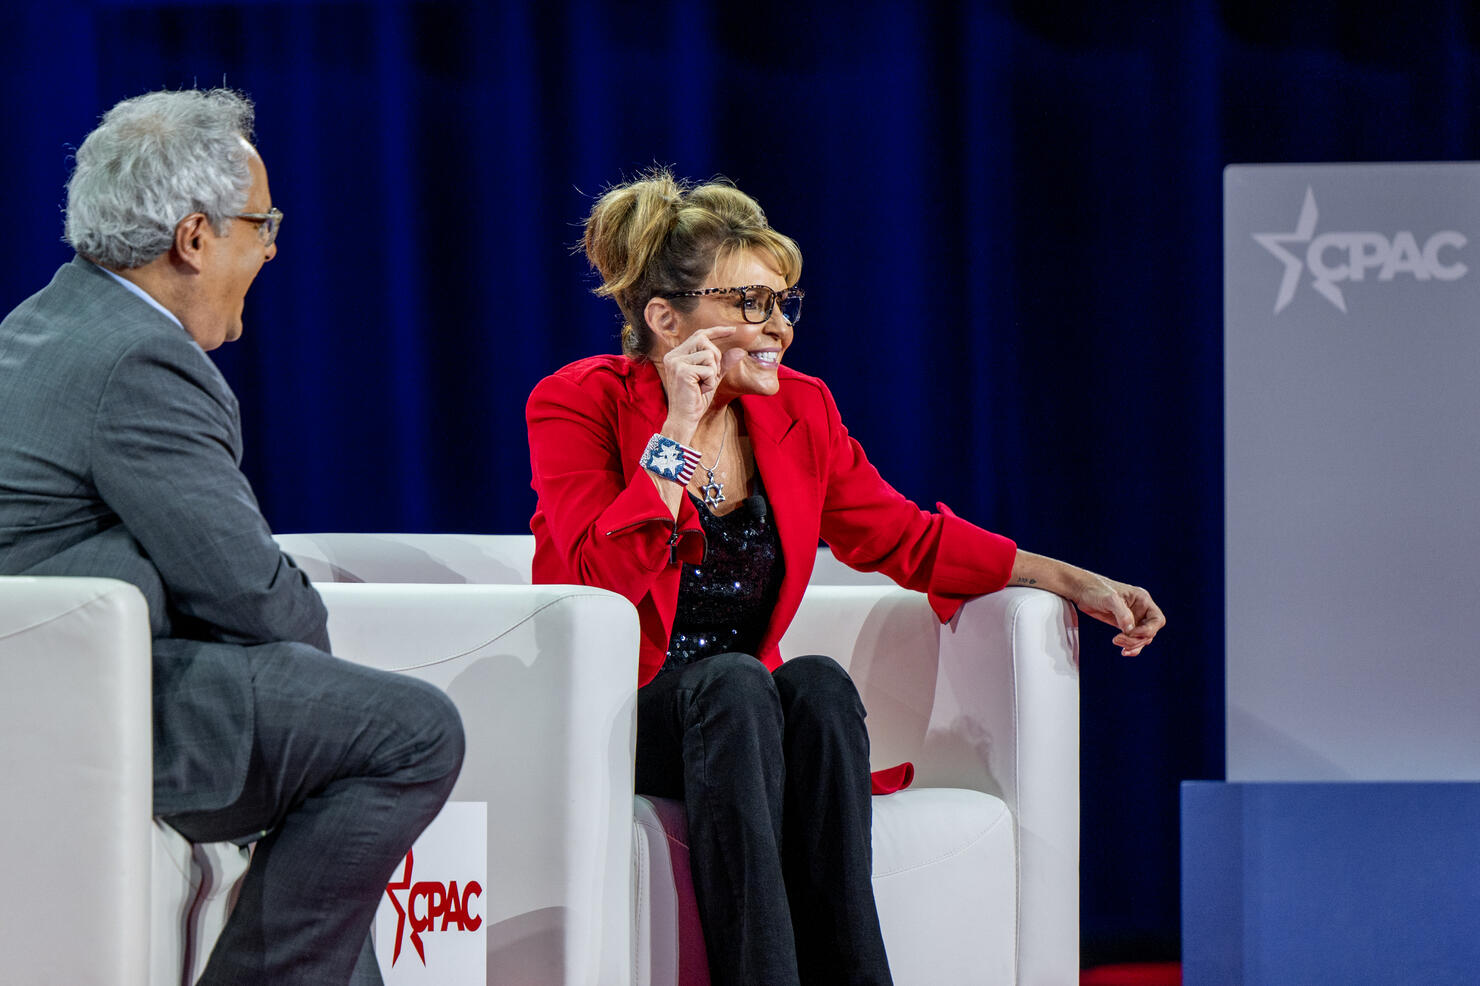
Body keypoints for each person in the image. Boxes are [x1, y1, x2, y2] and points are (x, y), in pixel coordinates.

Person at [526, 168, 1165, 986]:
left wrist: (1068, 578)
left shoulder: (801, 410)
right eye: (750, 304)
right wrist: (679, 430)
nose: (779, 328)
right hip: (621, 712)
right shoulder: (578, 403)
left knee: (819, 685)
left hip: (740, 719)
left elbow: (902, 535)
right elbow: (594, 583)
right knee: (733, 685)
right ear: (664, 318)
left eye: (784, 303)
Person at [0, 89, 465, 985]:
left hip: (58, 675)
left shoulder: (45, 321)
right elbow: (253, 597)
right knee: (408, 730)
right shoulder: (140, 357)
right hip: (91, 702)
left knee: (338, 769)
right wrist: (320, 668)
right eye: (262, 222)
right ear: (194, 237)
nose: (273, 246)